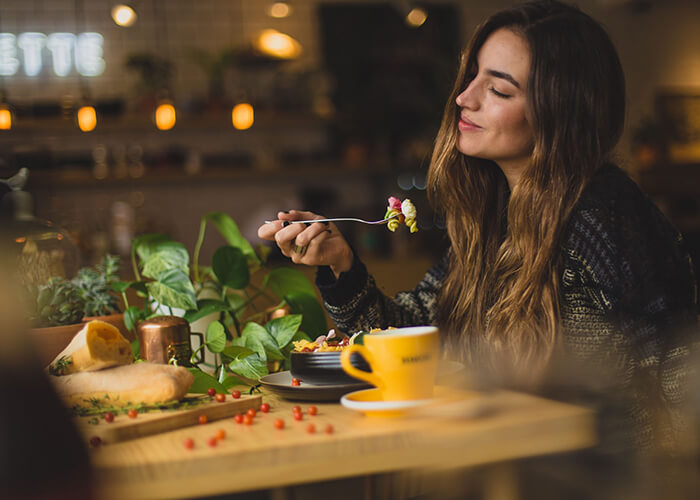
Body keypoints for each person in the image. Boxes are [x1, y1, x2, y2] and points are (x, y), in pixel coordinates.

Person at [258, 0, 698, 451]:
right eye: (473, 77)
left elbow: (679, 382)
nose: (464, 98)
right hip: (511, 462)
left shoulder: (604, 219)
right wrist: (341, 265)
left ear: (560, 113)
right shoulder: (494, 215)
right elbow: (418, 336)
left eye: (500, 91)